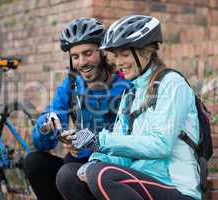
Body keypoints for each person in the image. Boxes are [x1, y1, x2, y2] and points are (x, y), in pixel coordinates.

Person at [56, 15, 201, 200]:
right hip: (139, 181)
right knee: (68, 175)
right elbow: (122, 154)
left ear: (146, 52)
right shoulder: (130, 94)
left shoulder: (172, 84)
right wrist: (97, 158)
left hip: (175, 187)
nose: (119, 62)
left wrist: (100, 141)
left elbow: (161, 145)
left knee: (101, 175)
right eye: (115, 56)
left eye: (124, 55)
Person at [23, 17, 131, 200]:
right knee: (35, 162)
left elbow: (129, 138)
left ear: (103, 52)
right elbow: (46, 138)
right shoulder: (72, 82)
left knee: (67, 173)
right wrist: (47, 126)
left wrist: (83, 140)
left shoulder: (125, 84)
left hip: (113, 163)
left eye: (88, 53)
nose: (82, 62)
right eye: (75, 57)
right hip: (78, 159)